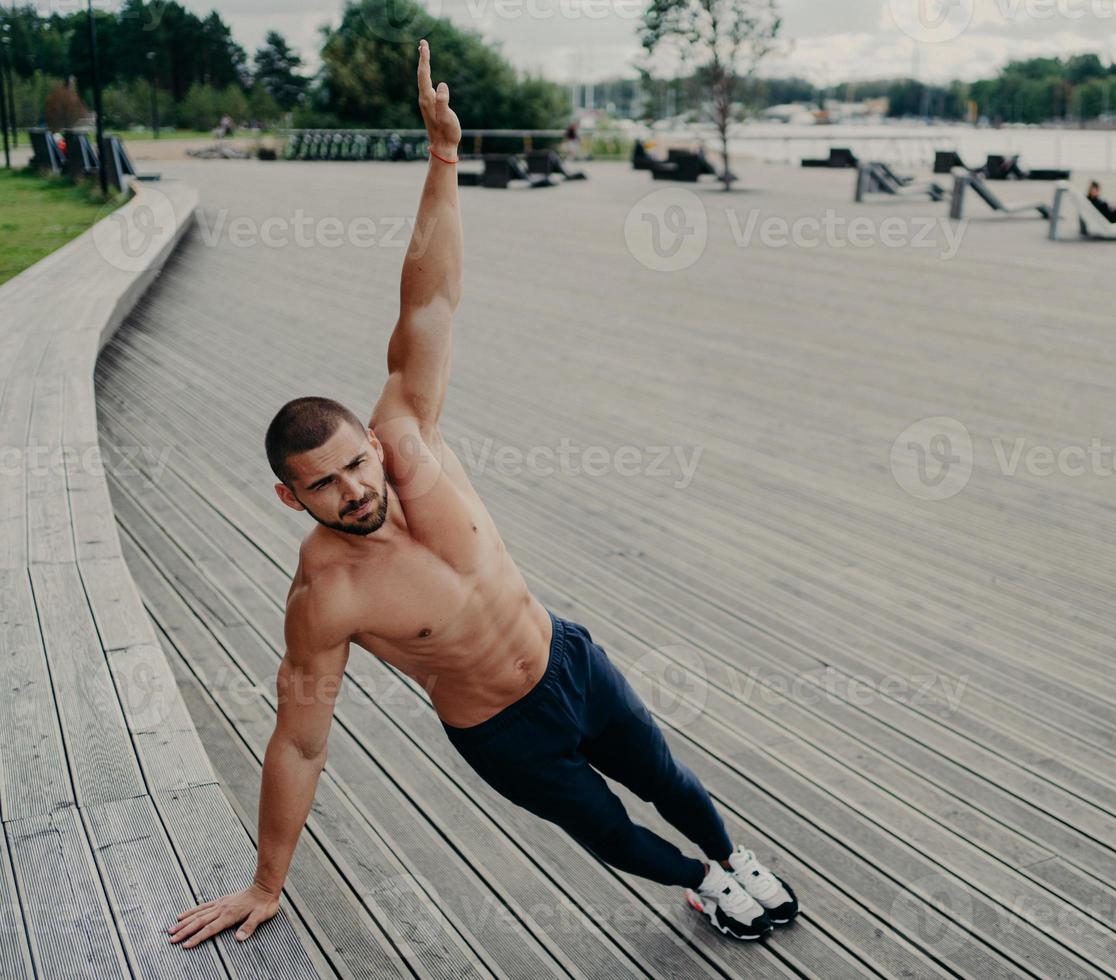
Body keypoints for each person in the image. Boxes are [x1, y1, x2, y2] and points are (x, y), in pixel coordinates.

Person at [167, 39, 798, 951]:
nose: (352, 490)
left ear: (372, 444)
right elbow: (299, 742)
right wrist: (266, 883)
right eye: (323, 486)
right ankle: (703, 883)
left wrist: (444, 157)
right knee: (608, 828)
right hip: (502, 731)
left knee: (666, 777)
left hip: (569, 659)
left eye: (355, 463)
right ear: (288, 497)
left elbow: (430, 302)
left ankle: (730, 855)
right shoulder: (327, 596)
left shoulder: (410, 441)